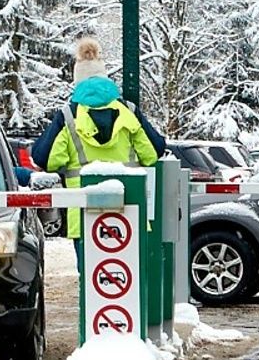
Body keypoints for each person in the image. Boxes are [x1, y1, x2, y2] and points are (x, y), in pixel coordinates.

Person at [31, 37, 166, 265]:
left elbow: (44, 159)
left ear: (77, 81)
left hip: (85, 212)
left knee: (93, 282)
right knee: (127, 280)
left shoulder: (68, 116)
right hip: (129, 209)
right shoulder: (128, 110)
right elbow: (154, 152)